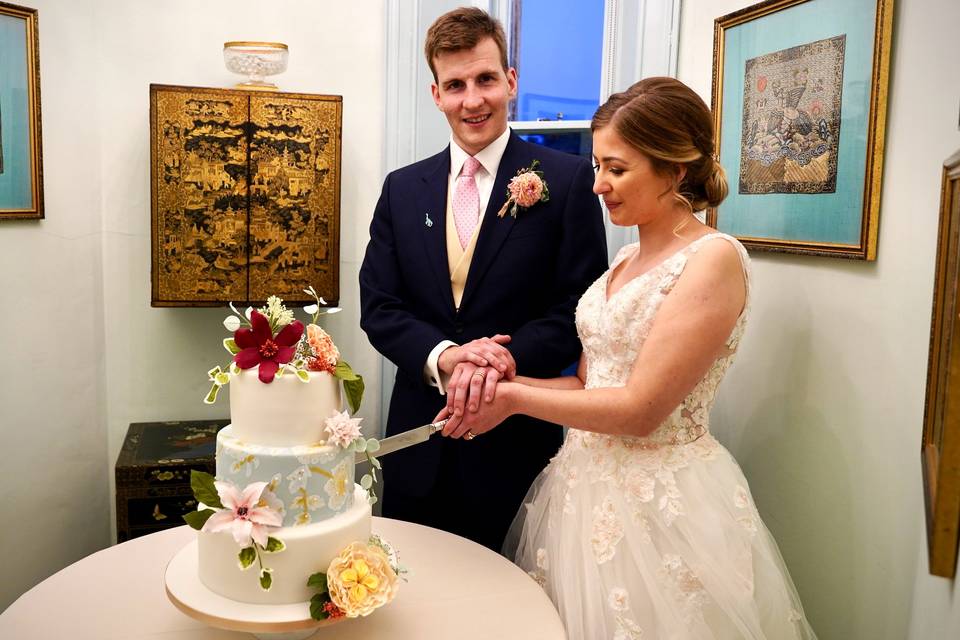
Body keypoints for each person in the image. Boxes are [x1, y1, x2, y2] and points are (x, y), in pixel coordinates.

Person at [437, 77, 817, 639]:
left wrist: (516, 400)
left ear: (674, 170)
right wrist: (507, 379)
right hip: (581, 492)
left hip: (664, 506)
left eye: (616, 169)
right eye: (597, 166)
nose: (597, 185)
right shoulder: (627, 259)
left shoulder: (712, 260)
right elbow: (593, 387)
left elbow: (642, 410)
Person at [359, 7, 608, 552]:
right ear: (436, 94)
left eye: (485, 79)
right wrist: (448, 356)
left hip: (517, 447)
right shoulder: (402, 189)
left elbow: (580, 309)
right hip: (416, 442)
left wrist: (501, 359)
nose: (472, 100)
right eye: (455, 85)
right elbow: (379, 306)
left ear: (511, 82)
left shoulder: (565, 182)